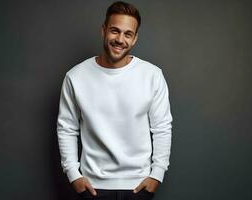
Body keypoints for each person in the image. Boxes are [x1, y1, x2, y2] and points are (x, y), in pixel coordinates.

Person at [56, 1, 172, 200]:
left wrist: (157, 174)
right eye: (114, 31)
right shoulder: (75, 77)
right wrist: (74, 175)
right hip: (92, 187)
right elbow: (67, 127)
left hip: (139, 186)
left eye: (128, 34)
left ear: (135, 39)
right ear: (103, 31)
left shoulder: (152, 75)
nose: (120, 39)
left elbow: (162, 127)